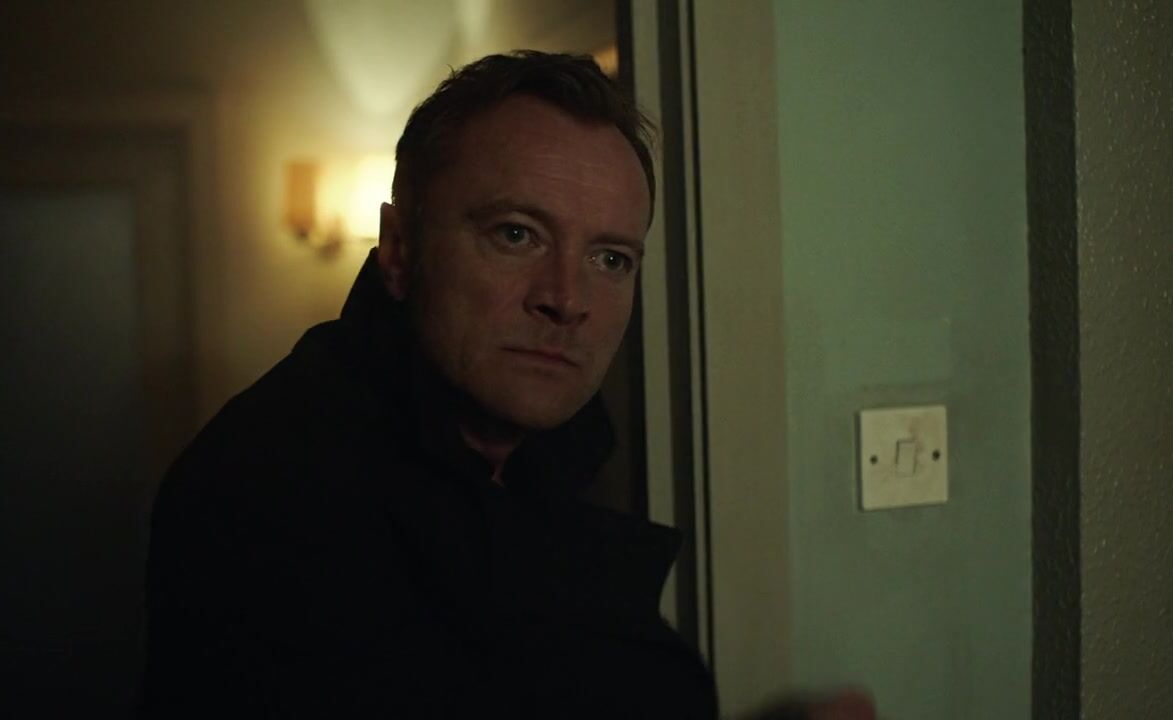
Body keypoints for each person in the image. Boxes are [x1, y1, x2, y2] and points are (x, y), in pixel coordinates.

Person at [143, 50, 716, 718]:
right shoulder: (274, 489)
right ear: (398, 248)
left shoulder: (550, 466)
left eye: (610, 258)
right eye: (517, 234)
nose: (566, 299)